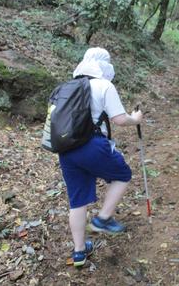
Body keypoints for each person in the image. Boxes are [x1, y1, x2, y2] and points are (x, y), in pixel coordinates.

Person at [59, 47, 143, 267]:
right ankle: (103, 219)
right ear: (104, 66)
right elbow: (120, 120)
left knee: (77, 201)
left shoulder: (67, 87)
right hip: (92, 145)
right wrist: (136, 118)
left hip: (67, 149)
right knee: (123, 174)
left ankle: (79, 253)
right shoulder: (103, 85)